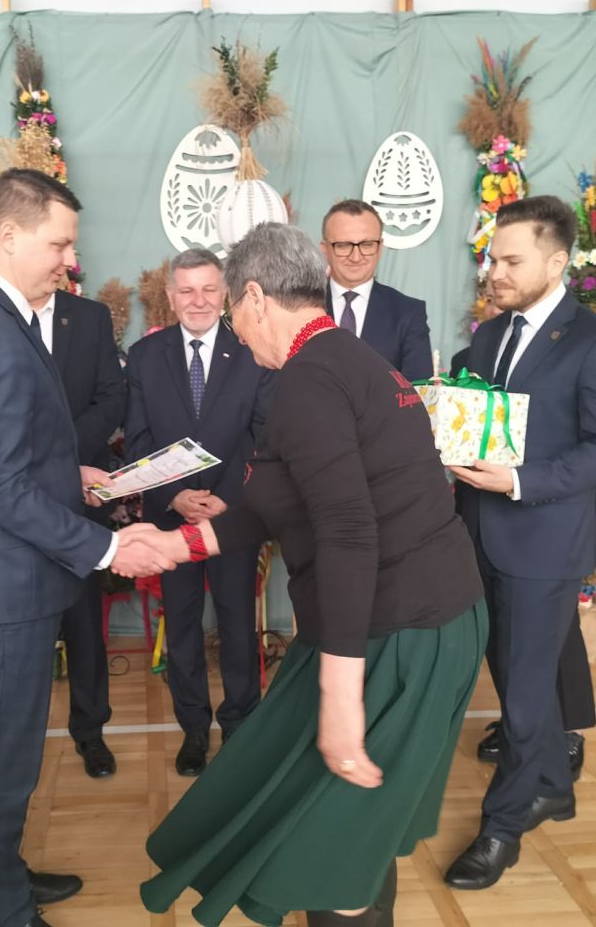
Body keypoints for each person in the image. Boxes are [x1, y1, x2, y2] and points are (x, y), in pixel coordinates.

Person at [133, 222, 486, 927]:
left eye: (232, 312)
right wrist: (177, 544)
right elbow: (284, 500)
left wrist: (340, 695)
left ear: (255, 296)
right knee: (339, 820)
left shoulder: (308, 380)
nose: (234, 332)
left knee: (338, 847)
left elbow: (348, 530)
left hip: (400, 630)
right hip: (403, 620)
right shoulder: (344, 359)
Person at [0, 168, 172, 927]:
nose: (70, 261)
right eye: (59, 244)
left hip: (7, 574)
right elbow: (1, 488)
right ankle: (5, 909)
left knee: (1, 744)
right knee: (6, 753)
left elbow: (3, 456)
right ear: (8, 235)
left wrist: (71, 472)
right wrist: (106, 550)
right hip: (5, 585)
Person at [444, 196, 596, 891]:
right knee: (514, 679)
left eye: (510, 260)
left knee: (524, 697)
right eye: (492, 259)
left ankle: (501, 828)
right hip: (480, 537)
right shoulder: (489, 338)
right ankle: (553, 784)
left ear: (556, 262)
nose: (494, 272)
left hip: (545, 543)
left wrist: (519, 481)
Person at [124, 248, 274, 776]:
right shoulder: (145, 357)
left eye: (209, 289)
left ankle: (240, 727)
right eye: (186, 290)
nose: (199, 300)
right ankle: (193, 729)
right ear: (170, 297)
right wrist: (175, 497)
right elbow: (138, 440)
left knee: (237, 625)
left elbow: (264, 435)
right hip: (171, 518)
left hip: (233, 517)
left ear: (226, 294)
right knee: (183, 628)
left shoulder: (252, 351)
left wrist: (227, 498)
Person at [450, 346, 594, 777]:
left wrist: (520, 479)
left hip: (546, 516)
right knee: (505, 638)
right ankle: (524, 727)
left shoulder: (577, 352)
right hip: (486, 518)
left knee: (556, 636)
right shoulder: (472, 356)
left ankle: (564, 731)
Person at [43, 285, 127, 779]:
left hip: (84, 494)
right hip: (16, 496)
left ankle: (90, 731)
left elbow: (112, 396)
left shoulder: (89, 317)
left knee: (83, 622)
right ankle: (19, 734)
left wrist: (64, 458)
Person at [320, 199, 433, 380]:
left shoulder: (408, 313)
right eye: (343, 245)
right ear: (325, 249)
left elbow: (417, 389)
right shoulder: (298, 306)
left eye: (367, 245)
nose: (355, 257)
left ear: (380, 248)